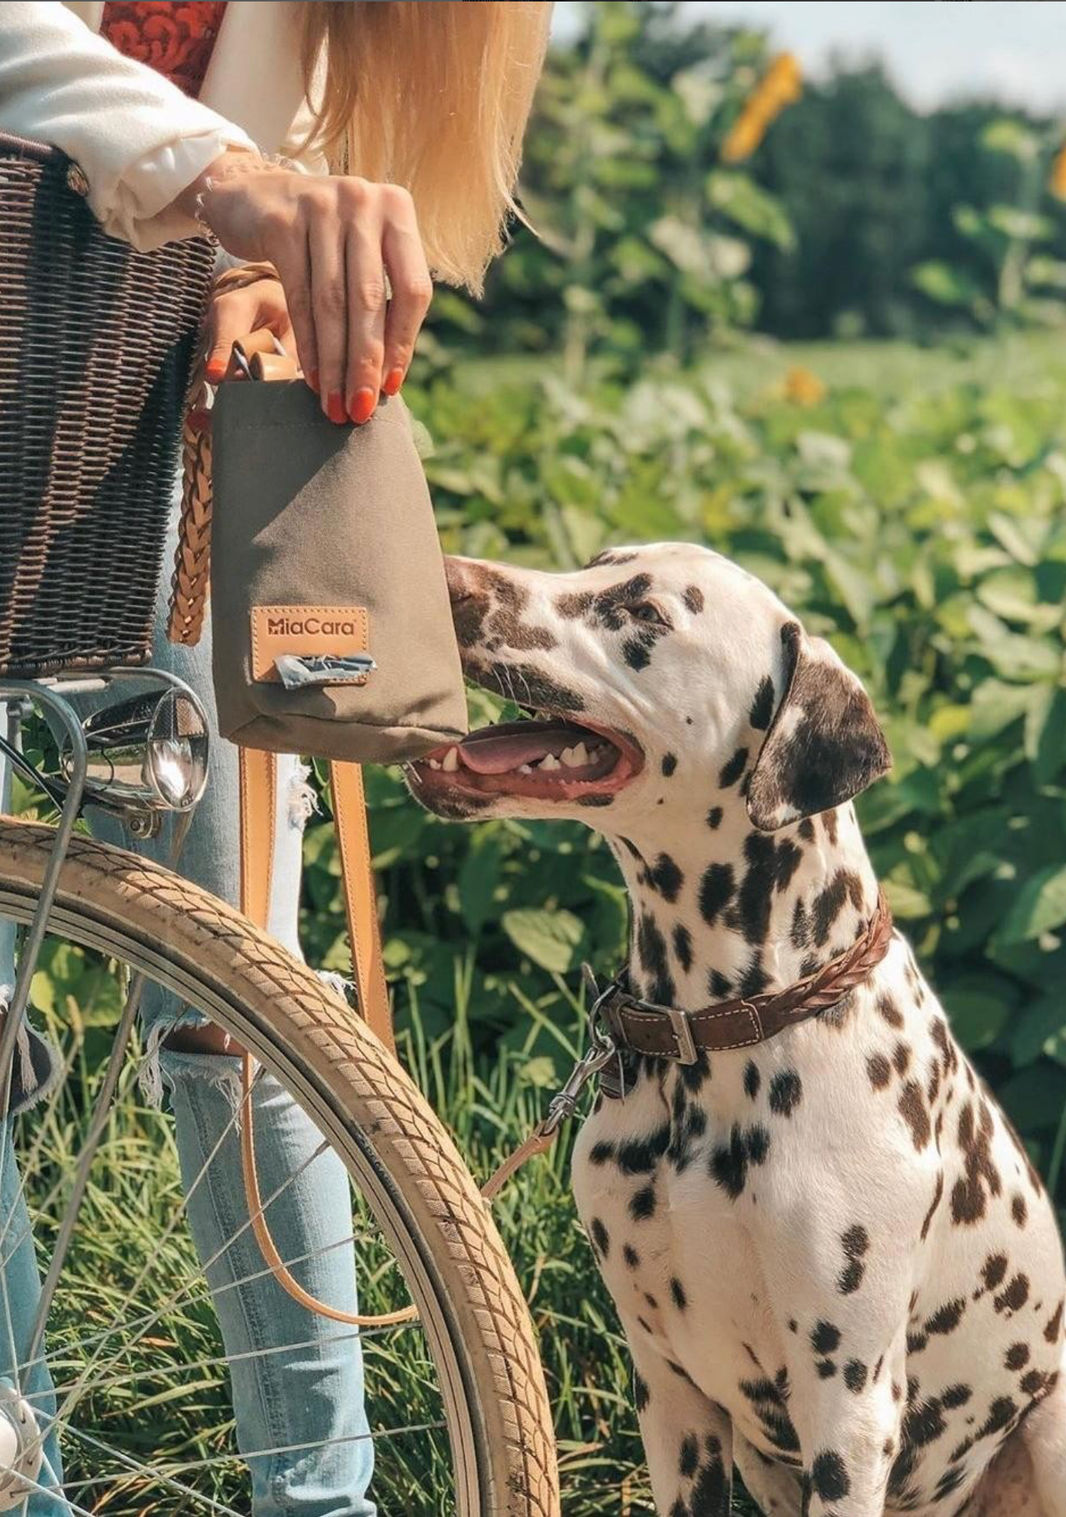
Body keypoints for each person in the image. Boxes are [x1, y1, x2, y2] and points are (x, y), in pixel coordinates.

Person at [0, 3, 551, 1512]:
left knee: (246, 992)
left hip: (142, 437)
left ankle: (321, 1501)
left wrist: (258, 270)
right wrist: (224, 175)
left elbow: (281, 166)